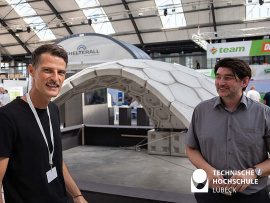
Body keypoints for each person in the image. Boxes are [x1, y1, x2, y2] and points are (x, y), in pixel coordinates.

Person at [0, 44, 87, 203]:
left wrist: (77, 195)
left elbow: (56, 160)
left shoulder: (53, 110)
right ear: (32, 71)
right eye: (48, 70)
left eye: (61, 72)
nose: (55, 78)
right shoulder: (7, 117)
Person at [185, 58, 270, 203]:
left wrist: (254, 172)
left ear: (244, 82)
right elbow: (191, 148)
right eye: (218, 77)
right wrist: (207, 170)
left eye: (228, 78)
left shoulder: (264, 113)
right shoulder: (201, 110)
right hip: (208, 193)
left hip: (252, 195)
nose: (220, 82)